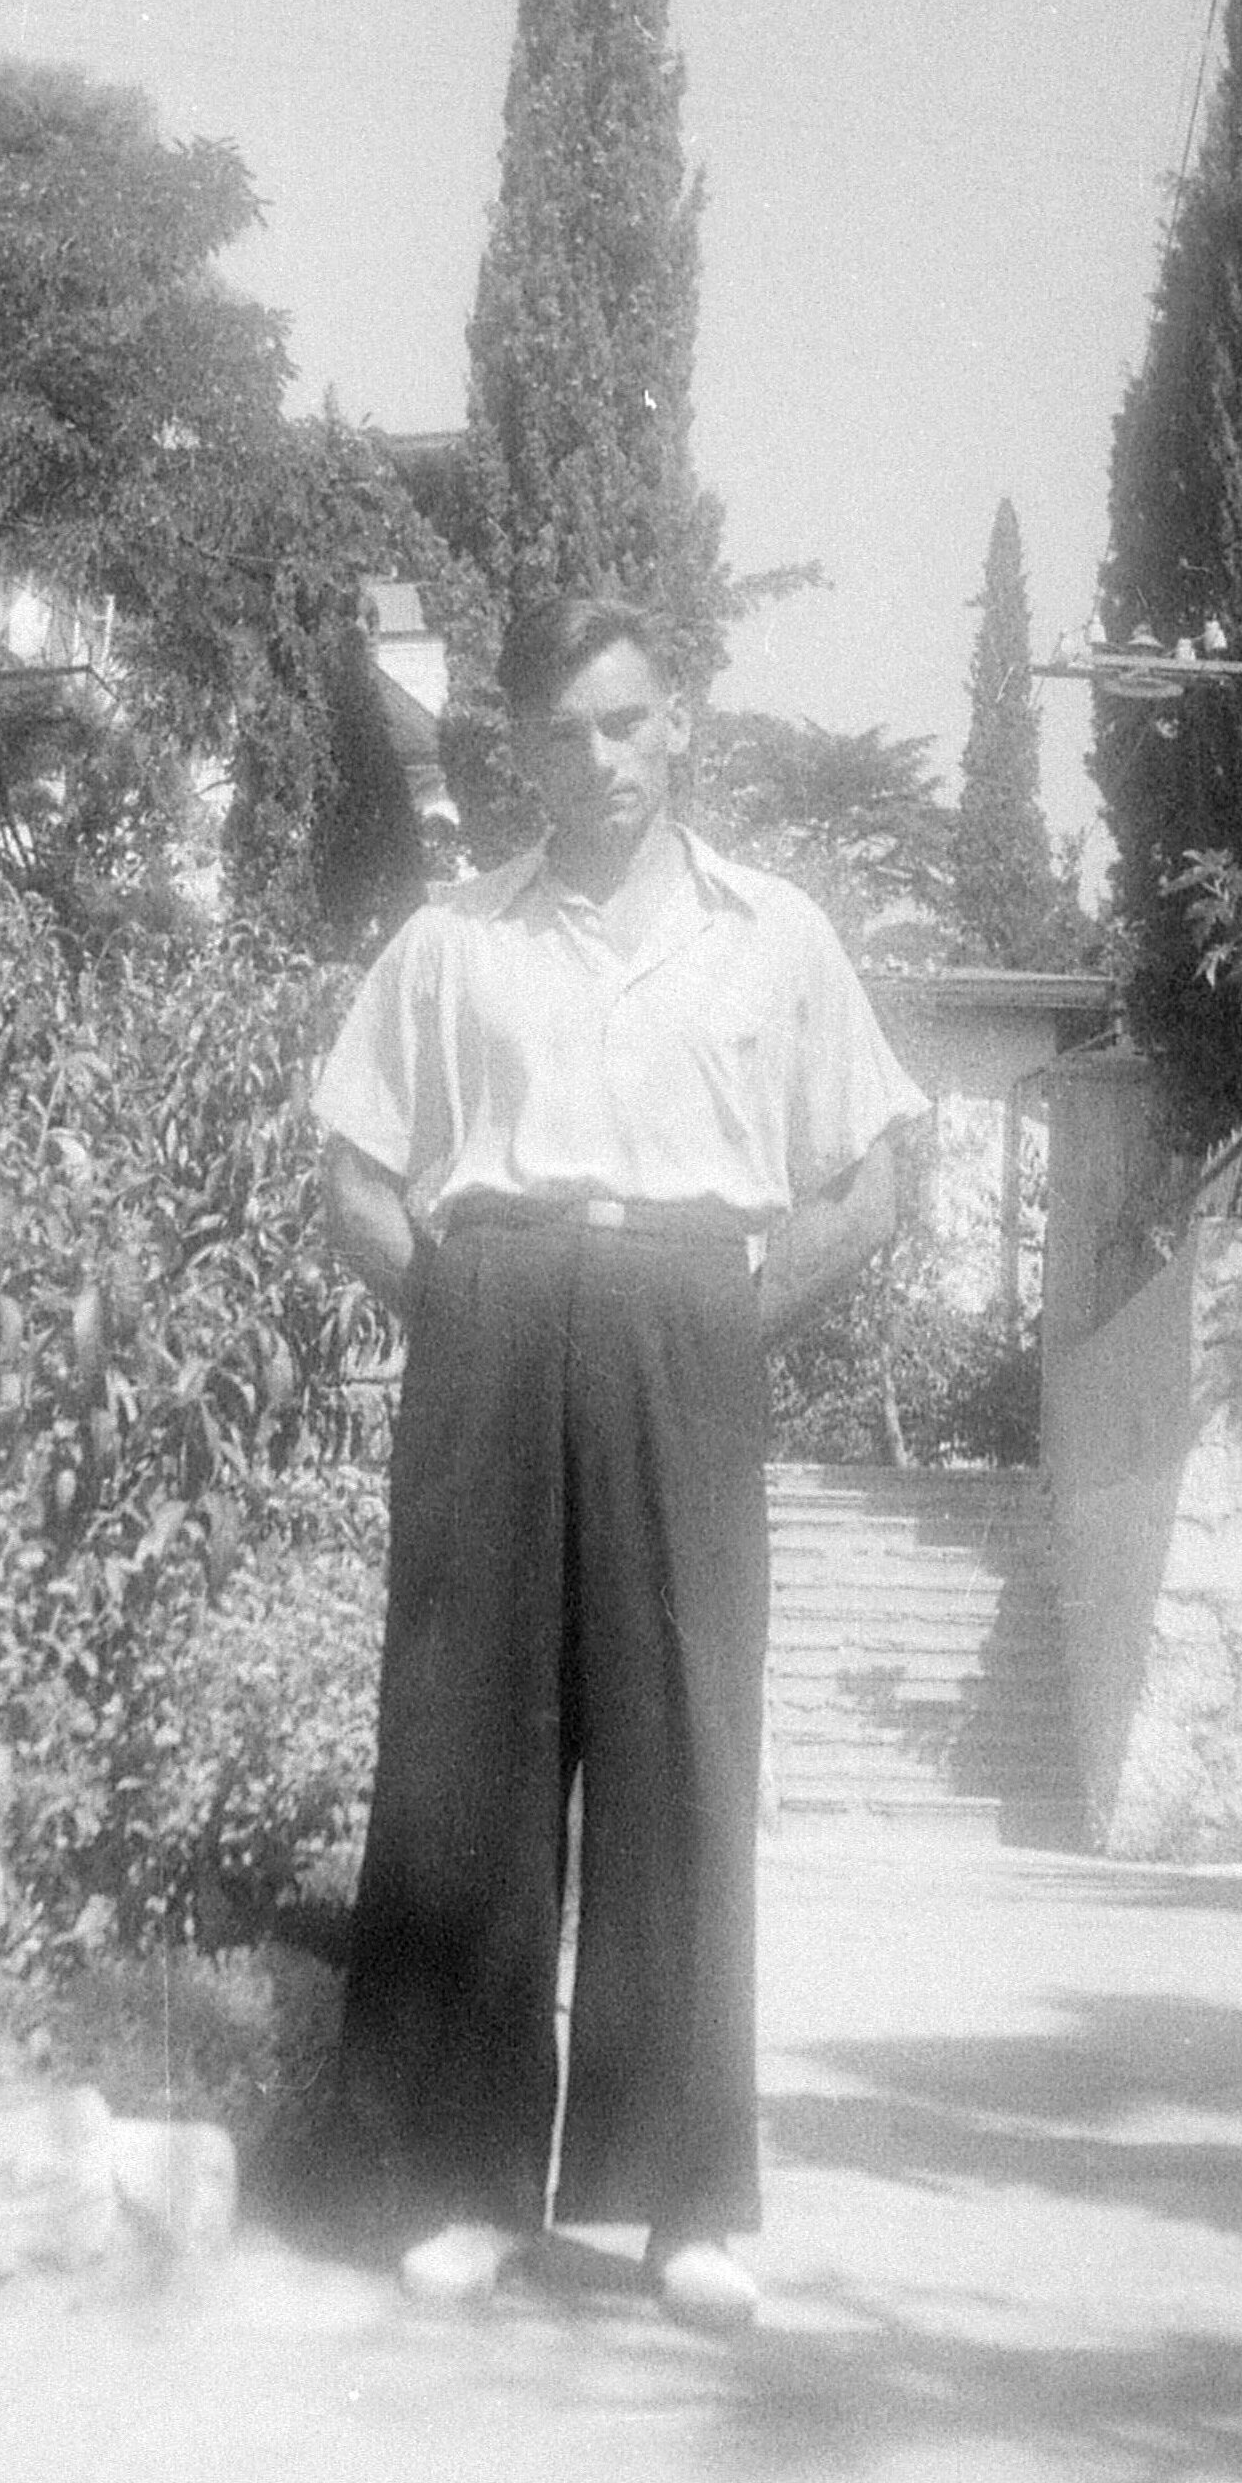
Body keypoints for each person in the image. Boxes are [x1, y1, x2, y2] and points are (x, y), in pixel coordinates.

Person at [310, 592, 927, 2327]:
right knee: (465, 1757)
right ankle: (464, 2186)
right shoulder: (454, 940)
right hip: (493, 1310)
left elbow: (868, 1183)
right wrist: (459, 1314)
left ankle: (685, 2213)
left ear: (679, 724)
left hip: (684, 1317)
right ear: (521, 747)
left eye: (626, 722)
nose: (598, 760)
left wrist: (723, 1321)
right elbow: (355, 1169)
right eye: (563, 732)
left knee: (680, 1752)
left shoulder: (775, 934)